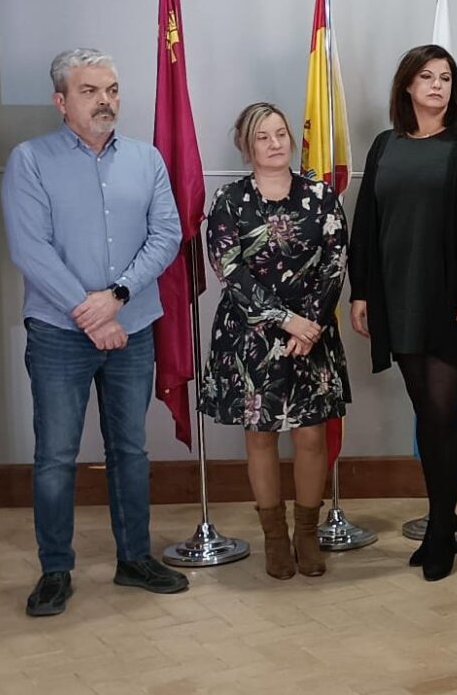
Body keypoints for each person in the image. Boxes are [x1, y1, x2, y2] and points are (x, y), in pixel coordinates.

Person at [2, 48, 188, 617]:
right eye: (89, 91)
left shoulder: (147, 159)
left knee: (130, 449)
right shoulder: (30, 160)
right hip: (59, 333)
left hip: (132, 327)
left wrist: (117, 298)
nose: (105, 100)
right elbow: (29, 247)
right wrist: (89, 312)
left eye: (111, 89)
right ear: (61, 101)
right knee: (56, 456)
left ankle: (134, 559)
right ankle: (55, 570)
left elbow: (166, 234)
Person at [348, 44, 457, 582]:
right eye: (427, 76)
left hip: (455, 302)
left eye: (446, 77)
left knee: (444, 415)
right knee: (427, 413)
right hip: (399, 299)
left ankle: (442, 527)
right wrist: (361, 292)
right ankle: (443, 522)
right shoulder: (385, 145)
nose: (438, 85)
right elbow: (367, 224)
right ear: (407, 86)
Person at [198, 102, 351, 579]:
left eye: (281, 133)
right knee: (260, 435)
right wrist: (286, 320)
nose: (275, 143)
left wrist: (310, 323)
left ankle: (306, 533)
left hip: (312, 333)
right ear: (246, 146)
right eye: (262, 136)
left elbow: (335, 262)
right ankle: (275, 538)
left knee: (311, 435)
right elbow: (229, 268)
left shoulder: (320, 196)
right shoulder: (229, 200)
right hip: (251, 336)